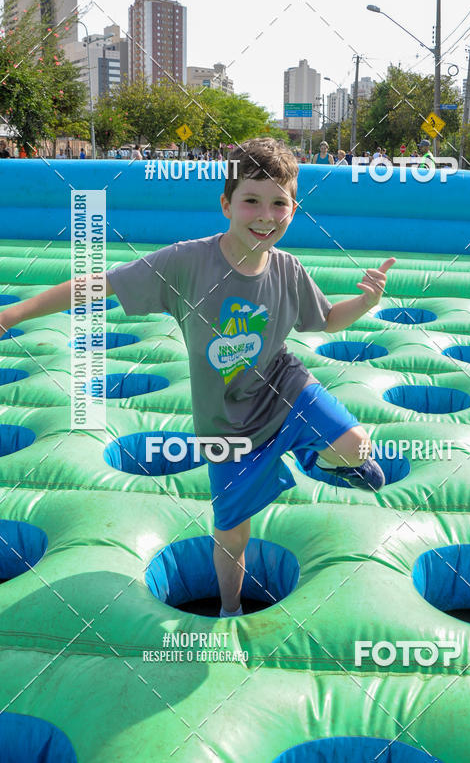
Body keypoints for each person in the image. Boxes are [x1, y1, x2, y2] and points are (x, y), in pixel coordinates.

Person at [0, 138, 391, 618]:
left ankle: (318, 459)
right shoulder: (187, 262)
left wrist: (367, 302)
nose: (265, 215)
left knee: (358, 446)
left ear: (293, 209)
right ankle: (230, 608)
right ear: (226, 203)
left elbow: (327, 319)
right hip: (226, 424)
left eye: (278, 203)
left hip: (285, 389)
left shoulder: (288, 269)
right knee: (233, 532)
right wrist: (14, 312)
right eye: (251, 200)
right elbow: (98, 284)